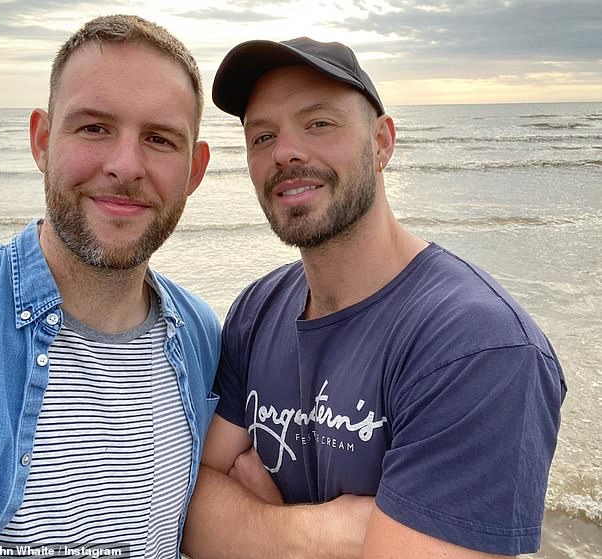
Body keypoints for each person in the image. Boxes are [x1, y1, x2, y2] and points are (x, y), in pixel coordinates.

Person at [181, 38, 567, 558]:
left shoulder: (479, 348)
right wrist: (323, 533)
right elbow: (186, 512)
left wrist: (253, 517)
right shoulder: (257, 310)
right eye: (262, 136)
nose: (285, 152)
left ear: (382, 142)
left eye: (319, 123)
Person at [0, 15, 220, 557]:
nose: (126, 166)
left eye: (159, 139)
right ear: (41, 140)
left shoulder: (202, 335)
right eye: (94, 128)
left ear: (194, 171)